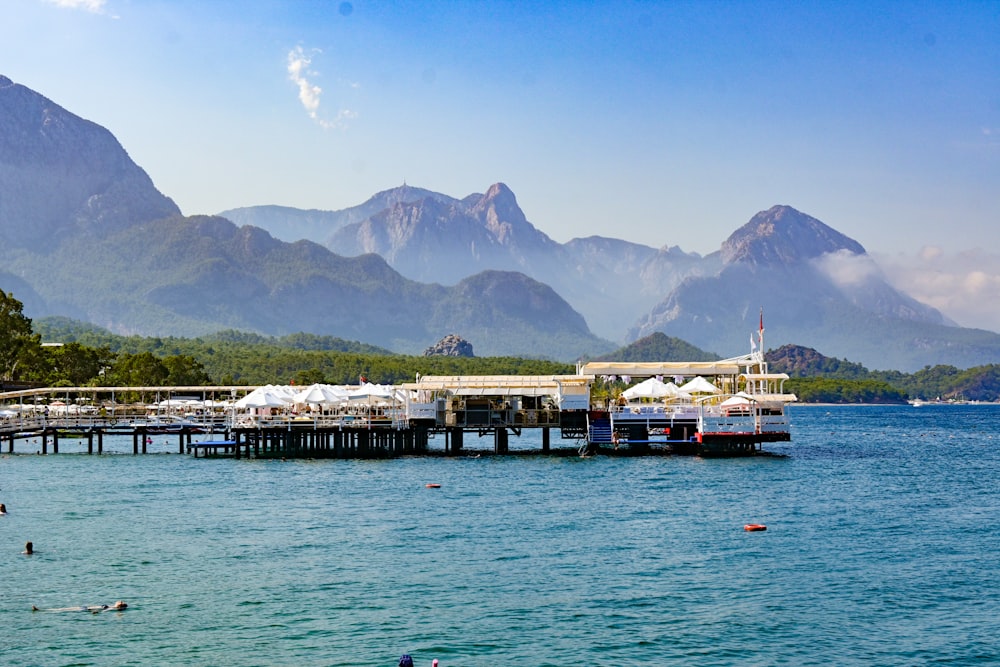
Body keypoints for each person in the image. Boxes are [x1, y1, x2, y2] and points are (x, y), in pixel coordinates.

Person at [32, 601, 127, 613]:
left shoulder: (113, 608)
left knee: (62, 610)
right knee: (63, 609)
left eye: (121, 602)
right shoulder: (111, 606)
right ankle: (41, 610)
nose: (120, 601)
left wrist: (97, 613)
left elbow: (105, 611)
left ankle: (41, 610)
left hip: (88, 609)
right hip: (85, 607)